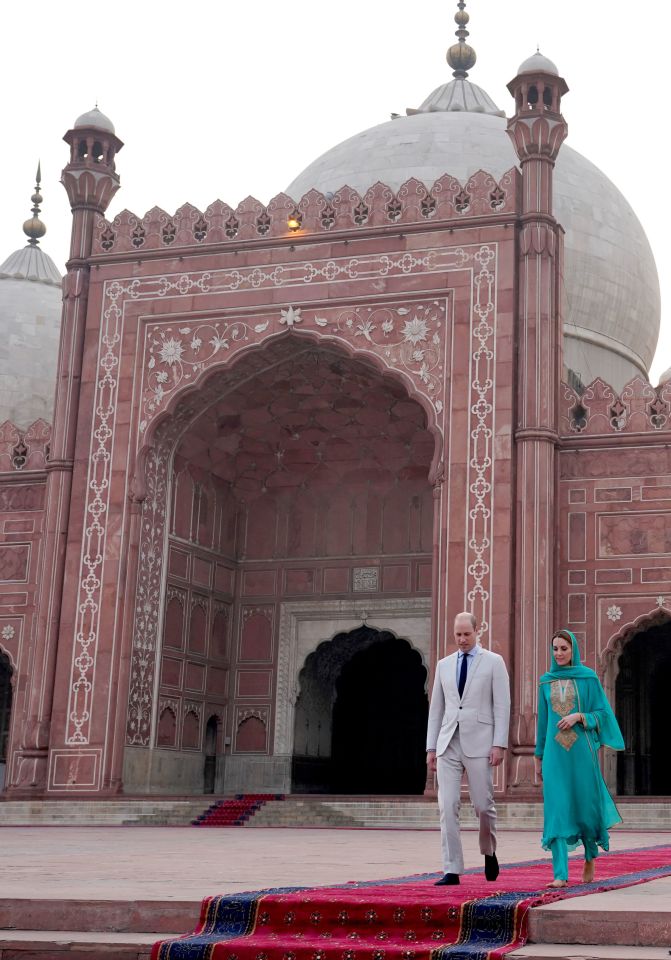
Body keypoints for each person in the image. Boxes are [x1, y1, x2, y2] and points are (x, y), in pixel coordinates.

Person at [534, 628, 624, 888]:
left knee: (585, 806)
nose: (559, 653)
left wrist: (579, 717)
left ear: (573, 650)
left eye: (564, 648)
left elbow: (602, 714)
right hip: (554, 755)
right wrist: (539, 756)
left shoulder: (588, 679)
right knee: (556, 809)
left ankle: (589, 855)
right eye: (555, 649)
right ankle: (560, 874)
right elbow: (543, 723)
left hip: (582, 753)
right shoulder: (545, 682)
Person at [426, 612, 511, 885]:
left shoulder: (493, 663)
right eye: (458, 634)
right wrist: (431, 747)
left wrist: (499, 743)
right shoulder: (444, 665)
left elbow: (502, 705)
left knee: (483, 806)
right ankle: (452, 869)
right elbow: (436, 709)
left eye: (466, 634)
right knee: (447, 805)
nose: (462, 639)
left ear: (477, 632)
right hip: (448, 742)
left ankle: (489, 851)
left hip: (480, 741)